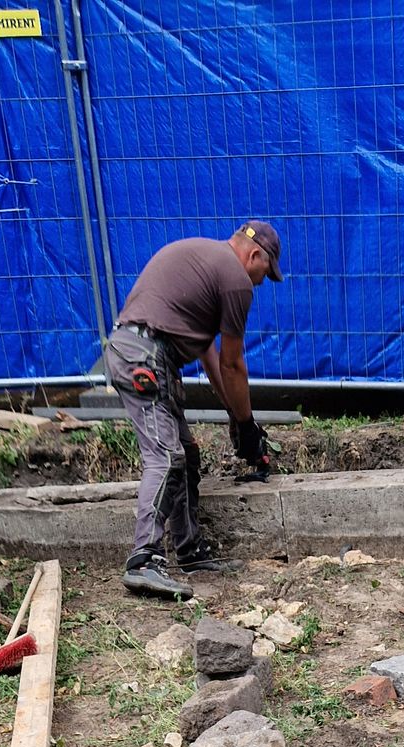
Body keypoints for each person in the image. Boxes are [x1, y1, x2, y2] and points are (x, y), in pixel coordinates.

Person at [103, 221, 283, 599]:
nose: (261, 284)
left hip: (143, 352)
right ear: (255, 256)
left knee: (186, 453)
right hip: (145, 357)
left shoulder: (206, 260)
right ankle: (143, 560)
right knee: (166, 457)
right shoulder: (235, 278)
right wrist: (248, 425)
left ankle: (189, 551)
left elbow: (211, 359)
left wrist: (237, 416)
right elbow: (233, 365)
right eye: (265, 274)